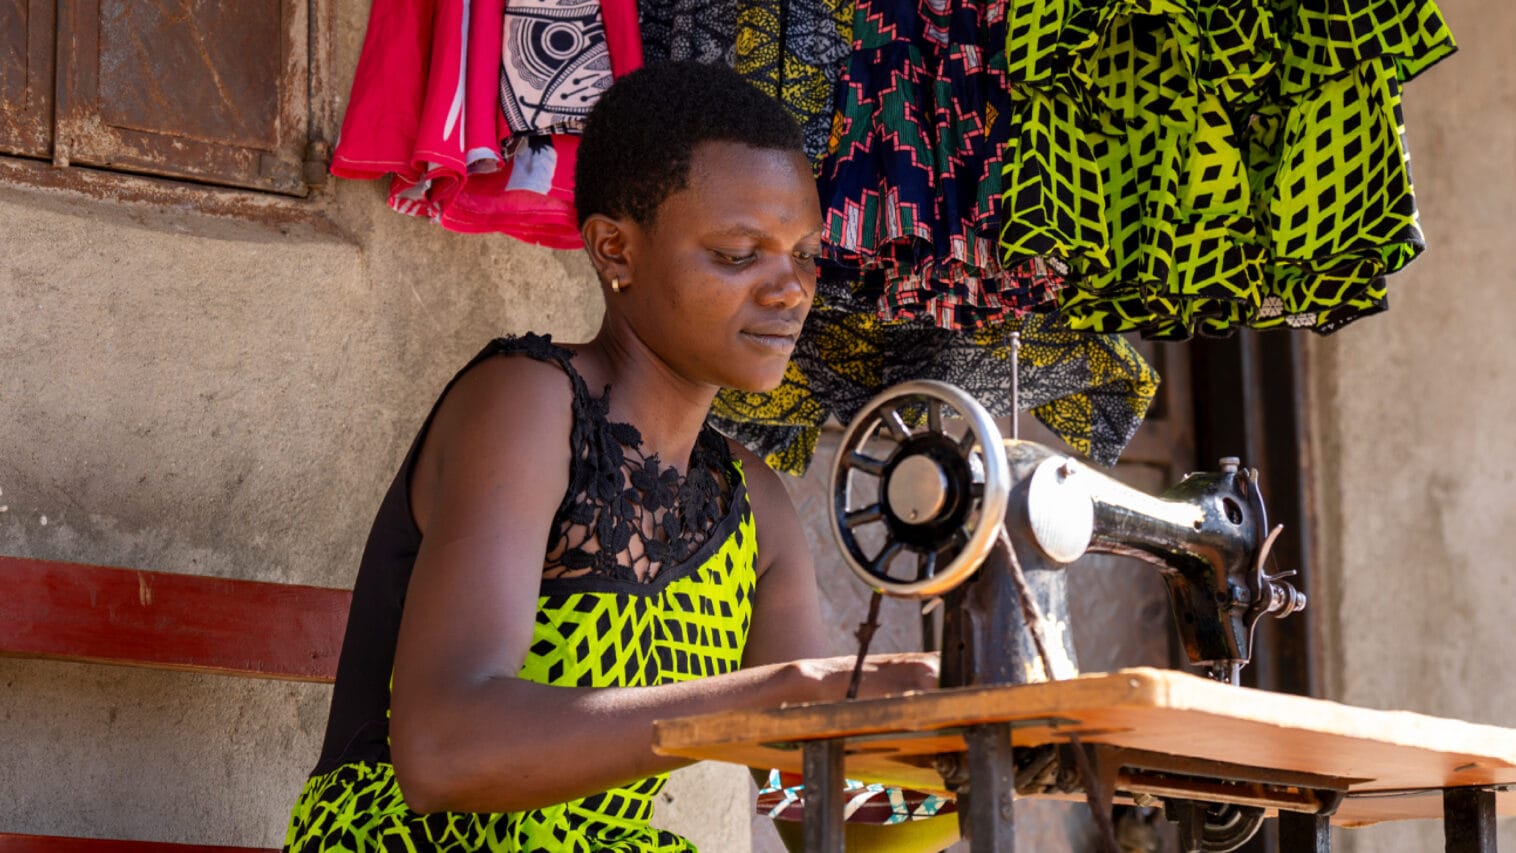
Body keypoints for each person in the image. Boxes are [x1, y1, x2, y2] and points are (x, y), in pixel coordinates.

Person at [283, 61, 960, 851]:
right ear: (615, 249)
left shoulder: (754, 506)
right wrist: (777, 695)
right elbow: (442, 755)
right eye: (742, 254)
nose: (791, 290)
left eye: (804, 253)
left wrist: (979, 778)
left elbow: (826, 814)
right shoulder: (528, 405)